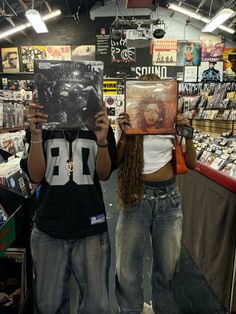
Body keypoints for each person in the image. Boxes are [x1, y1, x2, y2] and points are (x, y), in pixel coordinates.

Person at [20, 97, 117, 313]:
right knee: (48, 305)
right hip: (49, 226)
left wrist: (101, 140)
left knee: (97, 305)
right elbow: (35, 176)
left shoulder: (97, 123)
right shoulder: (44, 124)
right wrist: (36, 136)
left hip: (90, 225)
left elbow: (104, 173)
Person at [115, 73, 196, 314]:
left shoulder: (172, 123)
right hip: (135, 197)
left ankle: (165, 309)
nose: (150, 113)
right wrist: (123, 134)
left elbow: (190, 163)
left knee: (168, 267)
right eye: (146, 109)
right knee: (126, 268)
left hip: (168, 199)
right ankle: (130, 309)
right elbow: (117, 162)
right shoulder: (131, 123)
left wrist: (187, 134)